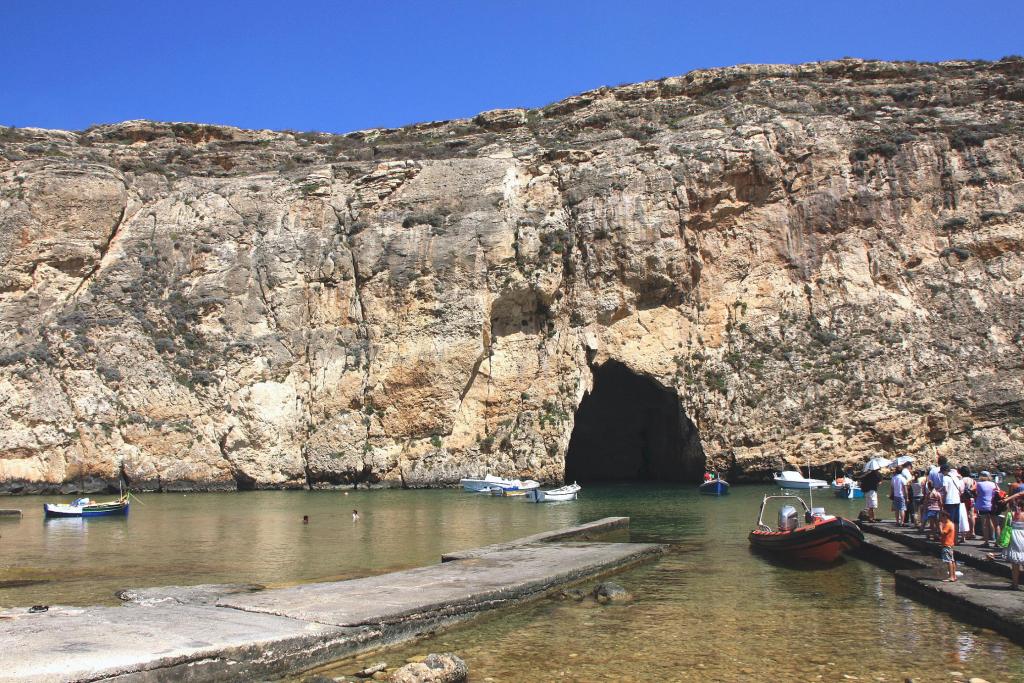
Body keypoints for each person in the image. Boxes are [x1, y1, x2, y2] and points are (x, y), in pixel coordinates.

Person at [987, 491, 1024, 590]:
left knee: (1015, 564)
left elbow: (1005, 526)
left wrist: (1007, 500)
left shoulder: (1012, 514)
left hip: (1015, 537)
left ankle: (1015, 584)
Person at [940, 464, 963, 544]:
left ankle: (950, 539)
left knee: (949, 521)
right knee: (956, 521)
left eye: (942, 472)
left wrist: (943, 500)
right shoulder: (955, 477)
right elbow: (960, 489)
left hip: (949, 501)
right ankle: (955, 539)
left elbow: (946, 490)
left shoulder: (945, 478)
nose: (942, 474)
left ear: (944, 471)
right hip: (957, 500)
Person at [975, 471, 999, 548]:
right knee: (996, 524)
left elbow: (976, 493)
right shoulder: (993, 484)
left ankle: (986, 542)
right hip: (993, 506)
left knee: (985, 524)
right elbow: (998, 492)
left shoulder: (979, 484)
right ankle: (997, 542)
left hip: (983, 506)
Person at [938, 509, 958, 582]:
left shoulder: (948, 524)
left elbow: (943, 533)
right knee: (952, 560)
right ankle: (954, 576)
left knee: (948, 561)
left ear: (945, 516)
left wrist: (940, 526)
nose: (940, 519)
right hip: (950, 544)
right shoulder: (951, 523)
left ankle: (951, 577)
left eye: (941, 517)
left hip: (947, 544)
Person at [959, 466, 977, 541]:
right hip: (971, 499)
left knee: (965, 515)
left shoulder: (962, 480)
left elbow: (961, 490)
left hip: (964, 499)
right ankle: (972, 531)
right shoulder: (972, 480)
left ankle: (966, 532)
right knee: (972, 515)